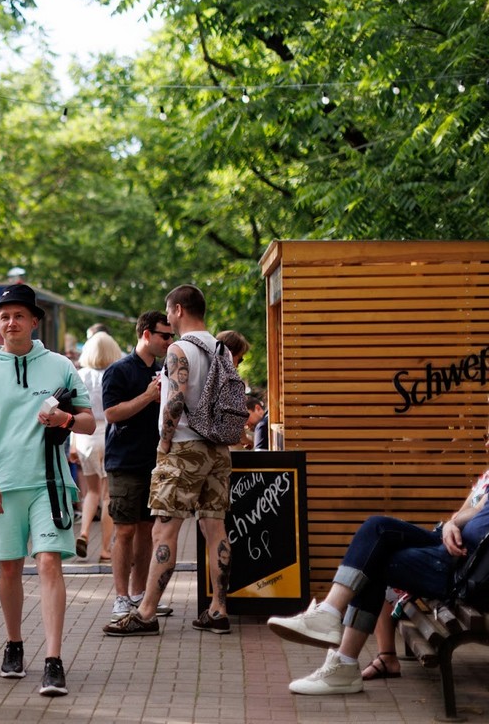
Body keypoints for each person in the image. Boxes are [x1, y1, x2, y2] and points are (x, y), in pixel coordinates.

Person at [0, 283, 95, 697]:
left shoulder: (59, 365)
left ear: (34, 321)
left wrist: (65, 420)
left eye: (19, 315)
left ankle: (54, 660)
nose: (11, 322)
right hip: (2, 484)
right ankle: (14, 643)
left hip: (49, 483)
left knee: (49, 562)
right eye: (4, 317)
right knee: (9, 568)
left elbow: (89, 421)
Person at [267, 460, 489, 695]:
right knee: (377, 527)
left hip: (465, 567)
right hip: (449, 544)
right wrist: (451, 525)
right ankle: (330, 620)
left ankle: (341, 656)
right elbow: (474, 510)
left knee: (376, 557)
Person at [105, 284, 233, 637]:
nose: (169, 319)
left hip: (184, 448)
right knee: (215, 528)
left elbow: (175, 401)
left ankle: (146, 613)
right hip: (218, 448)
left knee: (164, 530)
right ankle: (218, 610)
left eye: (168, 311)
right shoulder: (221, 349)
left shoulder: (179, 349)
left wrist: (164, 441)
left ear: (178, 310)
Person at [100, 311, 175, 623]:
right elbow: (111, 413)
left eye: (171, 336)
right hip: (124, 462)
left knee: (147, 530)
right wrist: (147, 397)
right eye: (164, 335)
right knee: (125, 530)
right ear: (146, 334)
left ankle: (139, 594)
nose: (169, 341)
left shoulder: (166, 370)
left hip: (156, 462)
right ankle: (120, 597)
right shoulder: (118, 370)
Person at [73, 332, 122, 561]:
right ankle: (105, 549)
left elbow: (75, 411)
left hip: (85, 435)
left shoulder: (80, 375)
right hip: (109, 434)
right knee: (107, 495)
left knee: (91, 491)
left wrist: (73, 443)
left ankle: (83, 532)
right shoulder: (116, 373)